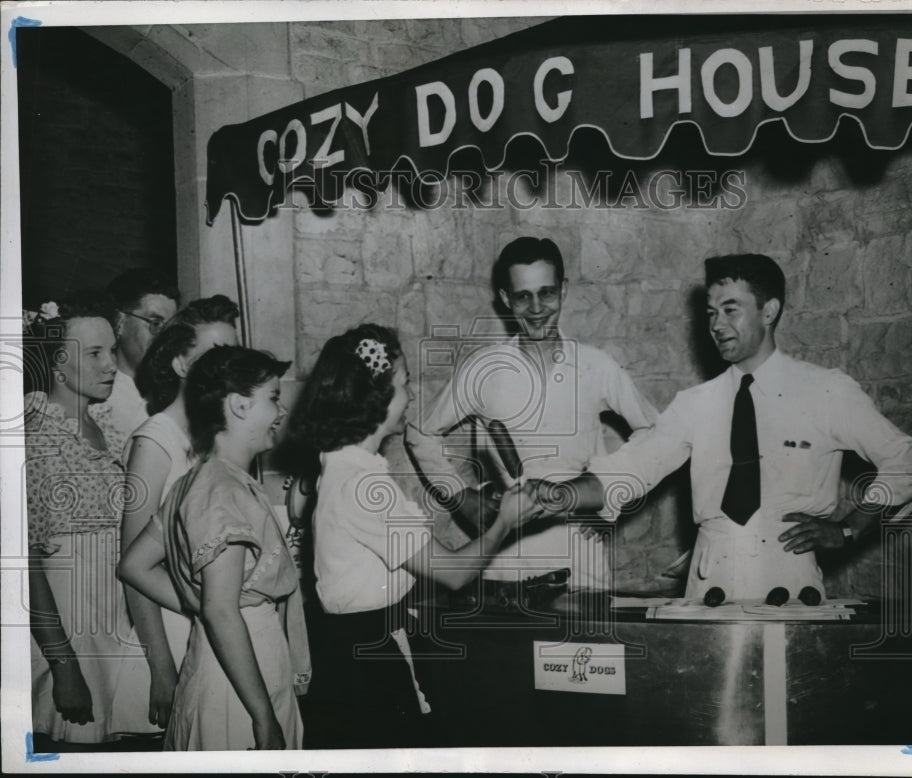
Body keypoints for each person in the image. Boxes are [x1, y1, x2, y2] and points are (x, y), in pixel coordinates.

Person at [534, 253, 912, 604]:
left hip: (788, 579)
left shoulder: (826, 390)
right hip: (710, 583)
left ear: (769, 311)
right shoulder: (694, 403)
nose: (716, 325)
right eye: (710, 313)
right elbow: (632, 468)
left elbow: (904, 461)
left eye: (730, 310)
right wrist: (559, 494)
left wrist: (849, 529)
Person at [285, 324, 542, 748]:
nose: (412, 395)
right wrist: (504, 523)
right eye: (404, 383)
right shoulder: (364, 487)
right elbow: (455, 573)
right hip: (367, 665)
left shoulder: (345, 467)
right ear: (376, 396)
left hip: (361, 651)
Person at [407, 237, 659, 591]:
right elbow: (420, 433)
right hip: (504, 560)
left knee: (581, 648)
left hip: (579, 559)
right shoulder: (483, 369)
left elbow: (656, 436)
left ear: (564, 290)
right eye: (523, 296)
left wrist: (608, 500)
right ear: (506, 298)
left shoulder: (596, 366)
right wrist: (461, 498)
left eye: (547, 293)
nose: (537, 307)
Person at [118, 346, 309, 750]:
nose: (280, 412)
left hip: (227, 658)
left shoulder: (203, 479)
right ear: (239, 406)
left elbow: (135, 566)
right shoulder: (221, 490)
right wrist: (263, 716)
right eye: (273, 398)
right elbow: (221, 610)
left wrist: (203, 603)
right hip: (240, 674)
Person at [23, 291, 147, 747]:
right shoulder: (36, 438)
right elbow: (26, 564)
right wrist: (63, 663)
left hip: (114, 612)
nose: (111, 364)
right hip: (70, 624)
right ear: (57, 364)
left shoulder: (109, 430)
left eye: (111, 351)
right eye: (93, 353)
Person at [113, 295, 240, 733]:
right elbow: (131, 565)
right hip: (165, 634)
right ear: (182, 365)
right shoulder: (154, 441)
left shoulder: (216, 439)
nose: (229, 370)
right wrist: (161, 667)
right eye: (214, 356)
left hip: (207, 630)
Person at [90, 269, 181, 454]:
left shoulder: (173, 395)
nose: (165, 338)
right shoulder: (95, 401)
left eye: (171, 328)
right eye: (155, 323)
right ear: (119, 322)